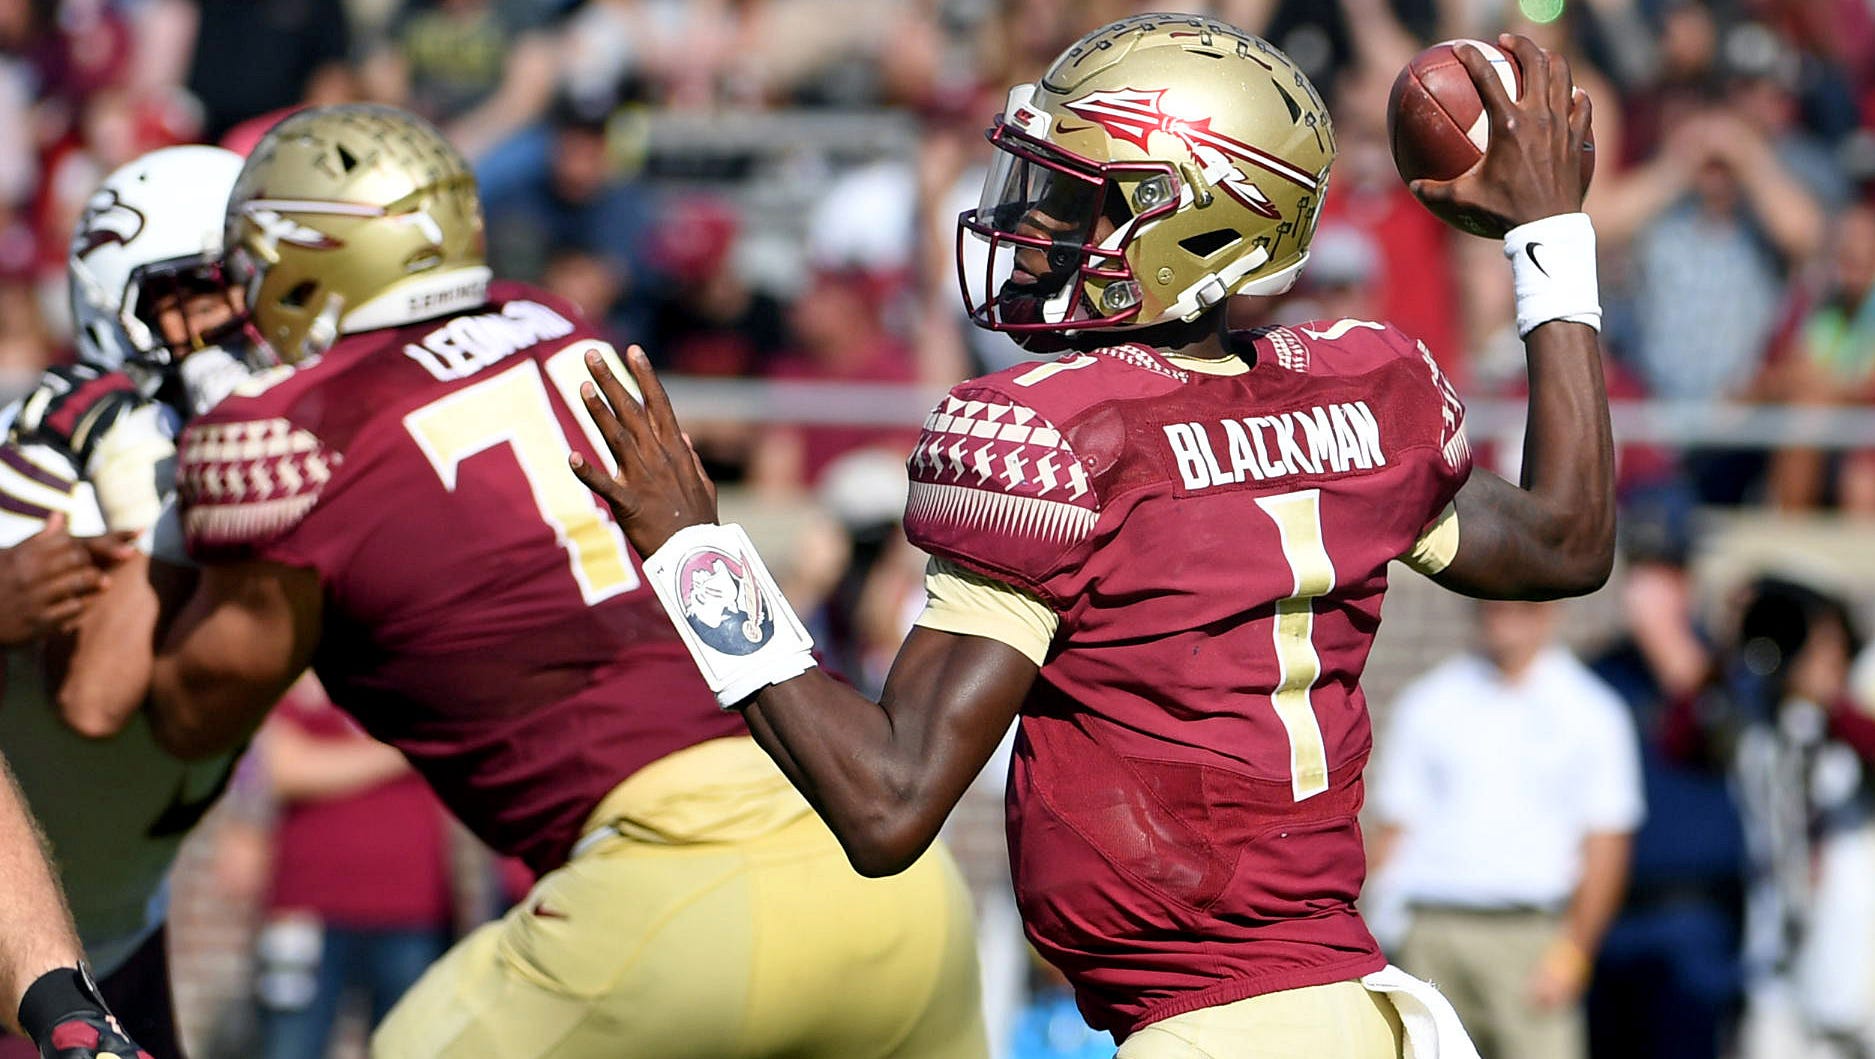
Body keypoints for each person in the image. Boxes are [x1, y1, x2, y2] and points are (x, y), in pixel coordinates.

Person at [574, 15, 1614, 1058]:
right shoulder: (1358, 401)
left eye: (1080, 201)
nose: (1036, 226)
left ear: (1201, 225)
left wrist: (692, 552)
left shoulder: (1063, 438)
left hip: (1215, 1032)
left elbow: (886, 804)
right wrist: (1550, 237)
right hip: (1358, 1011)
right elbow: (1567, 540)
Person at [115, 103, 984, 1059]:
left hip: (676, 887)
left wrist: (155, 521)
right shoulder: (547, 316)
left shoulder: (297, 429)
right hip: (894, 879)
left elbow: (193, 710)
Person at [0, 143, 251, 1059]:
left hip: (120, 926)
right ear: (123, 304)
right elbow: (95, 698)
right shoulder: (55, 456)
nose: (247, 322)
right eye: (210, 289)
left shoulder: (269, 463)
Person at [1371, 600, 1644, 1059]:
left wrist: (1574, 953)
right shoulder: (1430, 701)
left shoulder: (1591, 710)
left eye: (1523, 606)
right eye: (1494, 605)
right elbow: (1395, 829)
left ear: (1551, 611)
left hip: (1530, 936)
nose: (1507, 617)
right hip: (1431, 930)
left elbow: (1607, 843)